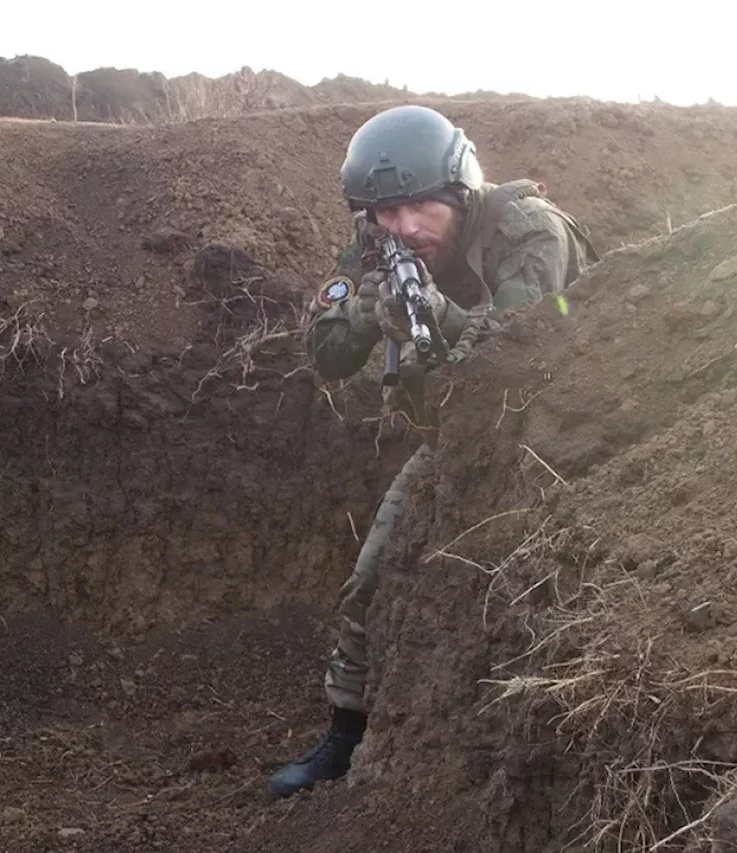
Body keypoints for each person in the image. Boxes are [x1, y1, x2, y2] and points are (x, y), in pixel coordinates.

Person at [268, 103, 600, 798]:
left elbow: (521, 351)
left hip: (572, 434)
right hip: (458, 440)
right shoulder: (375, 245)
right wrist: (360, 317)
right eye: (387, 213)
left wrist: (440, 318)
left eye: (421, 206)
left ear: (458, 193)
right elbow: (324, 355)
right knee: (370, 577)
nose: (406, 228)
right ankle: (344, 736)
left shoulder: (527, 231)